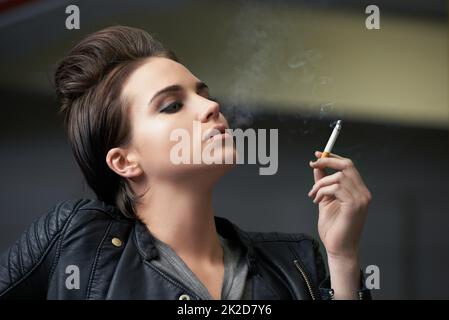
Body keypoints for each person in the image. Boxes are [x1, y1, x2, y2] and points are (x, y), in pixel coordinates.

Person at [0, 26, 372, 300]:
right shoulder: (77, 241)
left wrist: (342, 257)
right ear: (124, 161)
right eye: (172, 105)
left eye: (202, 94)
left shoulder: (296, 261)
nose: (212, 107)